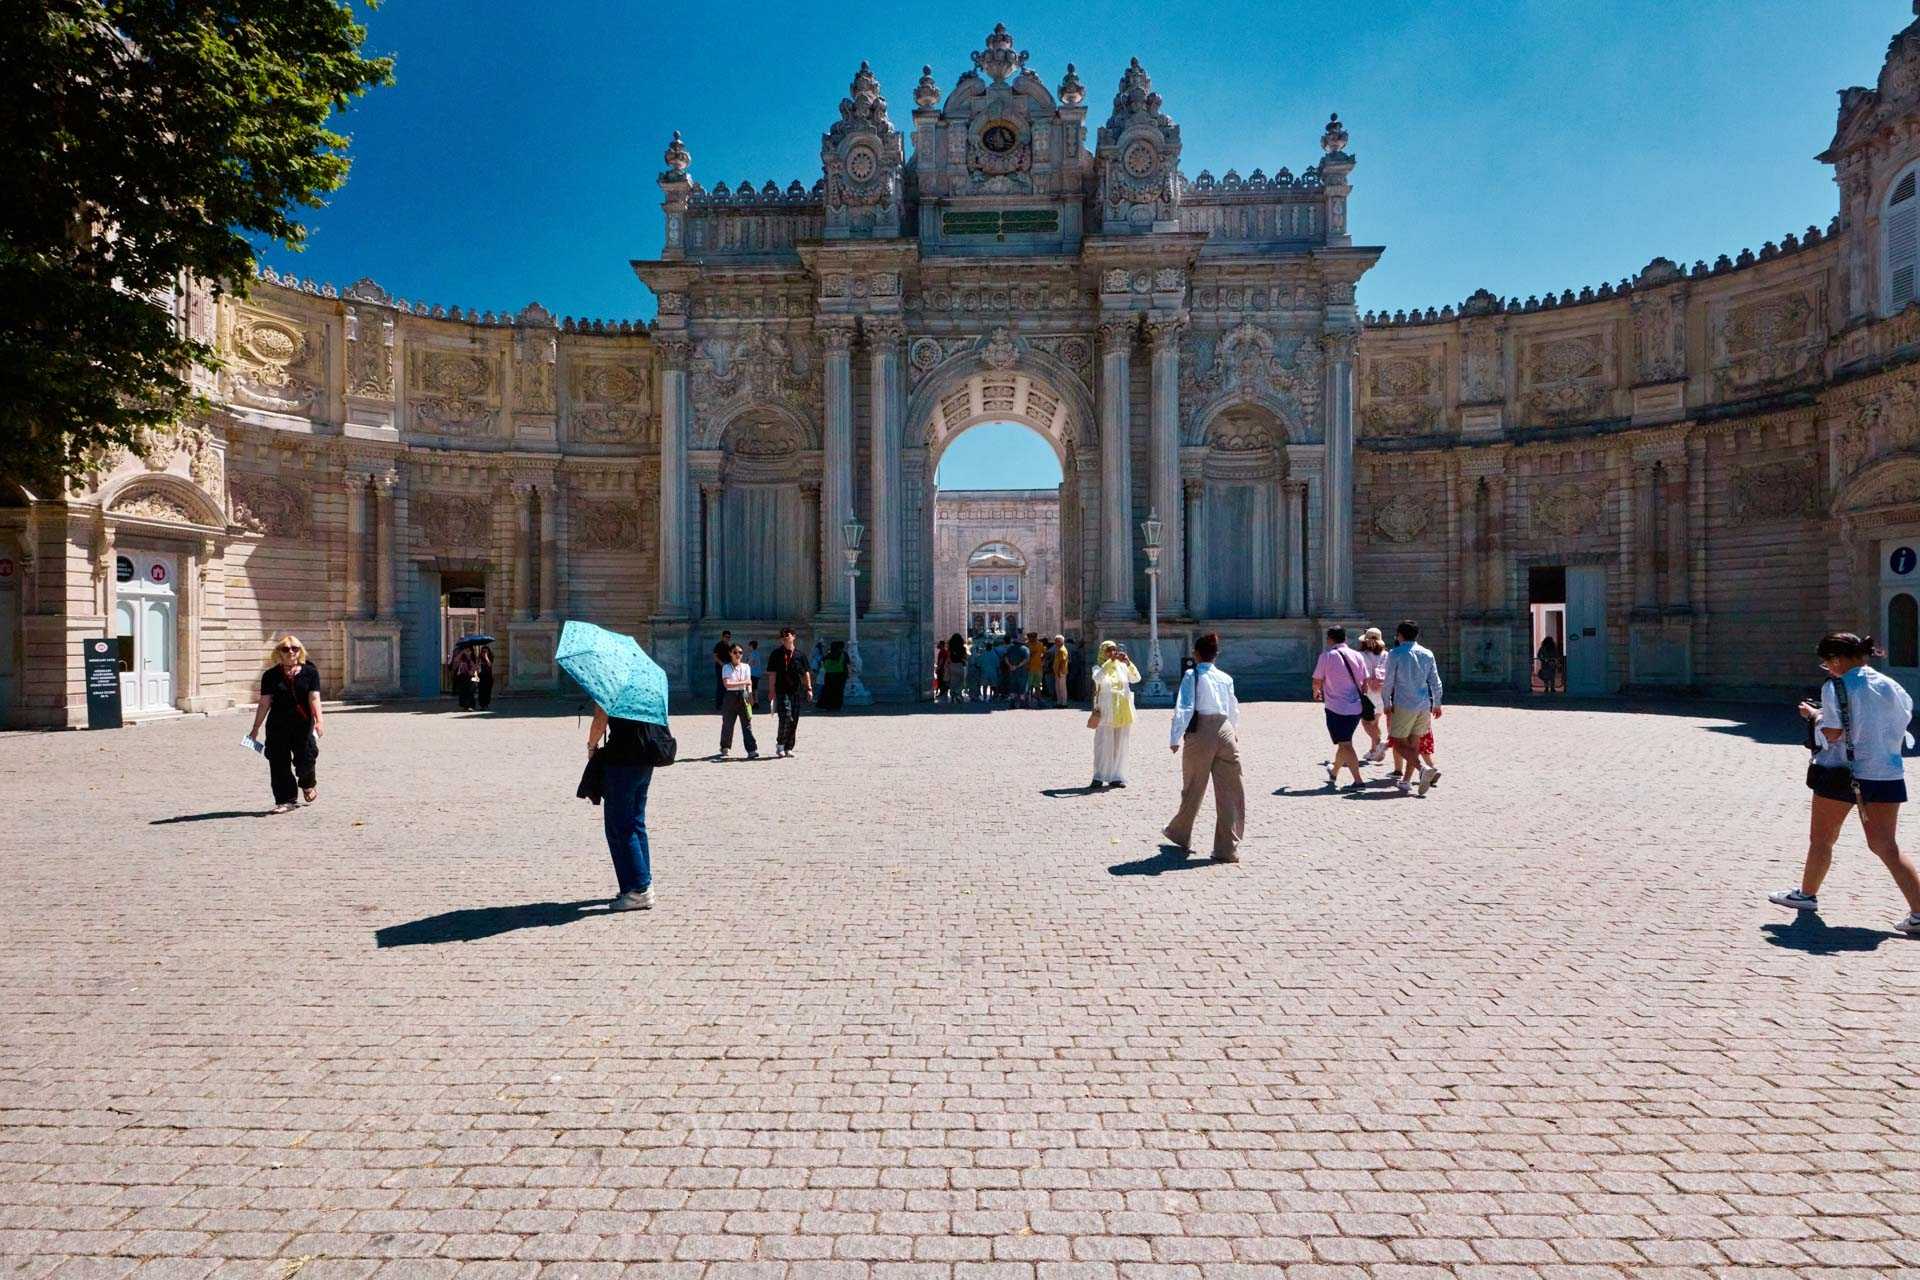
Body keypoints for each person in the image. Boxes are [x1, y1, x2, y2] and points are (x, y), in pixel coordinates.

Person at [1770, 632, 1920, 935]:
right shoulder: (1891, 685)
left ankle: (1807, 895)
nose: (1828, 669)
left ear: (1836, 660)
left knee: (1822, 838)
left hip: (1842, 772)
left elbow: (1834, 733)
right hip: (1887, 772)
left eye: (1827, 664)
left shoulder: (1835, 686)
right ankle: (1919, 911)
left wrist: (1814, 715)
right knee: (1886, 846)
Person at [1163, 632, 1245, 862]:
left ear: (1196, 654)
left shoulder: (1192, 675)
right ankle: (1227, 848)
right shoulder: (1226, 678)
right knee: (1230, 791)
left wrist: (1175, 737)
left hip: (1202, 733)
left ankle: (1180, 833)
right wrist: (1233, 733)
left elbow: (1186, 707)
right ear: (1216, 655)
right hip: (1225, 730)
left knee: (1193, 787)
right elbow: (1233, 708)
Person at [586, 703, 656, 911]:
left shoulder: (612, 685)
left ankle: (639, 890)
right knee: (636, 823)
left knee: (620, 826)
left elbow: (600, 717)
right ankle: (639, 884)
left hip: (622, 761)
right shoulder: (646, 687)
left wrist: (591, 746)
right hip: (645, 757)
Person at [247, 633, 323, 814]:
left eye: (294, 648)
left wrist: (320, 720)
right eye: (285, 649)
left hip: (303, 724)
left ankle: (307, 783)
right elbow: (264, 702)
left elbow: (314, 697)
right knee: (278, 762)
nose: (290, 652)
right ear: (279, 652)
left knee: (306, 758)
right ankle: (285, 800)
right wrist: (255, 728)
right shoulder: (270, 675)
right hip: (277, 725)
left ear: (300, 651)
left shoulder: (310, 672)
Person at [1383, 619, 1444, 796]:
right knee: (1414, 744)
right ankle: (1406, 781)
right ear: (1417, 635)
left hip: (1404, 704)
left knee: (1398, 742)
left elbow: (1388, 682)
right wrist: (1437, 703)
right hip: (1424, 704)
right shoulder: (1427, 653)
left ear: (1399, 635)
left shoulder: (1395, 653)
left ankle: (1422, 768)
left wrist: (1386, 703)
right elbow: (1435, 681)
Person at [1312, 626, 1368, 789]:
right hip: (1356, 707)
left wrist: (1316, 692)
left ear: (1329, 639)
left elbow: (1317, 679)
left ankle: (1358, 781)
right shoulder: (1358, 655)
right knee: (1345, 741)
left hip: (1336, 707)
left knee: (1345, 744)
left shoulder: (1326, 656)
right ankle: (1334, 772)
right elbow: (1365, 681)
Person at [1090, 640, 1141, 789]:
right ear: (1103, 652)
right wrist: (1109, 663)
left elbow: (1136, 678)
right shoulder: (1099, 667)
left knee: (1120, 744)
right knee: (1102, 744)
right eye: (1109, 650)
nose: (1112, 652)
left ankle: (1116, 777)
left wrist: (1128, 662)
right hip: (1106, 711)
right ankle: (1098, 776)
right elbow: (1098, 678)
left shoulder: (1122, 667)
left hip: (1123, 710)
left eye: (1114, 650)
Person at [765, 627, 813, 758]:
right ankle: (780, 744)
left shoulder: (800, 655)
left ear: (794, 637)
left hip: (796, 691)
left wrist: (809, 688)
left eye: (788, 635)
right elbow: (772, 674)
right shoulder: (776, 654)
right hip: (781, 690)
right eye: (783, 636)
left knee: (794, 719)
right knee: (785, 716)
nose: (785, 637)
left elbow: (806, 672)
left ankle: (789, 747)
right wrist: (771, 691)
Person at [718, 642, 758, 759]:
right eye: (735, 652)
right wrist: (745, 682)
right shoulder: (726, 667)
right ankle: (725, 747)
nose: (738, 655)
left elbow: (749, 683)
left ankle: (752, 750)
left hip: (743, 695)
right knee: (728, 723)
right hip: (730, 696)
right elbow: (727, 684)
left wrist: (750, 695)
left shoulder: (746, 667)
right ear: (730, 653)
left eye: (740, 652)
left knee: (747, 724)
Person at [1356, 627, 1389, 764]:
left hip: (1368, 692)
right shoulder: (1386, 655)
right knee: (1375, 722)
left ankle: (1379, 743)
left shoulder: (1362, 655)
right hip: (1383, 692)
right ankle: (1374, 750)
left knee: (1366, 722)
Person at [818, 640, 849, 711]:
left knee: (828, 689)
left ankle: (828, 705)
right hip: (840, 674)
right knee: (839, 691)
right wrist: (848, 674)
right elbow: (847, 665)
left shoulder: (829, 654)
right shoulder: (843, 654)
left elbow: (823, 662)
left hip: (829, 674)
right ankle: (837, 706)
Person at [1003, 632, 1030, 707]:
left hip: (1012, 671)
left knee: (1012, 687)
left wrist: (1010, 666)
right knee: (1022, 687)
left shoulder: (1010, 648)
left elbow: (1005, 658)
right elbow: (1026, 660)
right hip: (1022, 672)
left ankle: (1012, 703)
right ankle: (1022, 703)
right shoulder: (1025, 649)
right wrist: (1017, 666)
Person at [711, 629, 733, 712]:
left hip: (727, 667)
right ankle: (719, 704)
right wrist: (722, 664)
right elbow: (715, 656)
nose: (727, 638)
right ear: (722, 637)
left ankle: (725, 703)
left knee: (726, 686)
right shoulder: (719, 645)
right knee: (720, 686)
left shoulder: (728, 646)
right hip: (720, 668)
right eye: (726, 637)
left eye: (729, 637)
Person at [450, 644, 478, 710]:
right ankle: (465, 706)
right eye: (466, 650)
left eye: (469, 651)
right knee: (463, 691)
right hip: (462, 677)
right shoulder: (462, 658)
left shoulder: (473, 658)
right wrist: (462, 652)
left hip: (471, 676)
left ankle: (471, 706)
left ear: (471, 651)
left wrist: (470, 660)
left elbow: (475, 667)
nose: (467, 652)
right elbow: (455, 660)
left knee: (471, 691)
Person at [945, 633, 969, 703]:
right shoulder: (963, 648)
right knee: (960, 682)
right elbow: (965, 657)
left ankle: (952, 697)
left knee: (953, 682)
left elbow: (948, 659)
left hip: (952, 666)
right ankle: (958, 693)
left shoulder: (950, 649)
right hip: (960, 666)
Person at [1026, 632, 1046, 704]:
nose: (1032, 639)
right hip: (1029, 668)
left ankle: (1039, 699)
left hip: (1038, 668)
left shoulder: (1040, 644)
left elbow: (1044, 653)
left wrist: (1042, 661)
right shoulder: (1027, 645)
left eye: (1033, 637)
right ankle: (1028, 700)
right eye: (1030, 637)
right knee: (1029, 686)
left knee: (1037, 685)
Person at [746, 639, 766, 711]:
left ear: (751, 646)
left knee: (750, 689)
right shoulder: (757, 653)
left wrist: (744, 668)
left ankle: (752, 703)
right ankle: (756, 702)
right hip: (757, 674)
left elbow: (749, 663)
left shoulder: (752, 654)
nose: (748, 647)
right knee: (755, 689)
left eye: (749, 646)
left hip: (752, 673)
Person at [1051, 633, 1069, 706]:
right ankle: (1059, 702)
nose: (1055, 643)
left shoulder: (1062, 650)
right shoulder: (1059, 649)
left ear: (1060, 641)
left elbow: (1062, 661)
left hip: (1061, 671)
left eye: (1056, 641)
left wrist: (1058, 671)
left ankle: (1063, 703)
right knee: (1058, 687)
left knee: (1062, 688)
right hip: (1058, 671)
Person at [476, 644, 494, 711]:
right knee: (481, 692)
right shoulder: (479, 658)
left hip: (488, 677)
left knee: (487, 691)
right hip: (481, 677)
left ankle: (486, 704)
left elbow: (490, 665)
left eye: (486, 651)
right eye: (483, 651)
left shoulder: (491, 657)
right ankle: (482, 705)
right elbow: (477, 667)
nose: (484, 653)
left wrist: (486, 657)